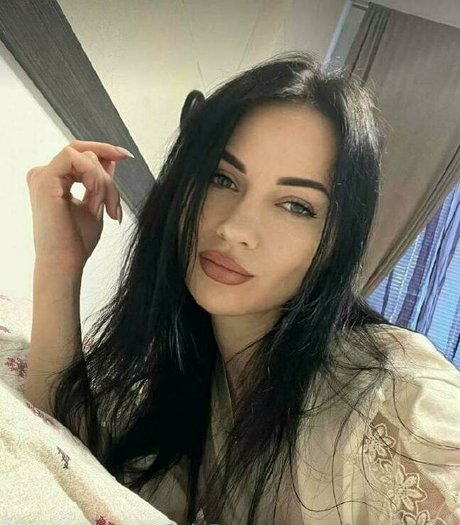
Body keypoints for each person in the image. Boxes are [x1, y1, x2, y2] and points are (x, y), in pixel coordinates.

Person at [24, 51, 460, 524]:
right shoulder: (192, 369)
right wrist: (60, 263)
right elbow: (63, 446)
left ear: (335, 243)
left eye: (295, 206)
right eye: (222, 178)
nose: (235, 228)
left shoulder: (392, 399)